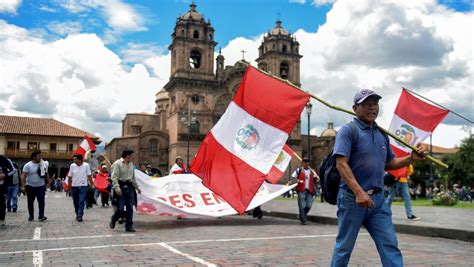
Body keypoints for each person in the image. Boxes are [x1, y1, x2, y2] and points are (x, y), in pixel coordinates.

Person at [330, 89, 427, 266]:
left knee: (390, 245)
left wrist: (411, 158)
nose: (372, 108)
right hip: (353, 199)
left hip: (378, 201)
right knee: (344, 247)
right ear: (355, 108)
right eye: (366, 104)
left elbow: (389, 164)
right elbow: (341, 164)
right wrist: (359, 192)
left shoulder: (382, 134)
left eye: (375, 104)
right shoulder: (348, 131)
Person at [109, 149, 141, 232]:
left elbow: (133, 178)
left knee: (130, 207)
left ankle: (129, 226)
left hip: (130, 187)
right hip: (120, 187)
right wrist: (117, 188)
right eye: (132, 155)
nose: (133, 157)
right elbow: (114, 177)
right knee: (120, 208)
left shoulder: (131, 165)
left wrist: (137, 188)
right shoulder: (117, 164)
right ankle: (114, 219)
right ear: (128, 156)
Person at [20, 150, 51, 222]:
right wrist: (23, 186)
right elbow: (23, 176)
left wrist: (49, 182)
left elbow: (46, 174)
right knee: (30, 202)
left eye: (41, 156)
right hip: (30, 186)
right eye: (39, 156)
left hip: (41, 186)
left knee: (41, 201)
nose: (41, 157)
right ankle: (31, 215)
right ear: (34, 157)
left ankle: (41, 215)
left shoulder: (43, 164)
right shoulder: (28, 165)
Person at [67, 154, 94, 222]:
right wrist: (69, 186)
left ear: (80, 160)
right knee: (75, 202)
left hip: (83, 186)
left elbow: (89, 175)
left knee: (81, 201)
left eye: (75, 159)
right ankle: (77, 213)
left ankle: (80, 215)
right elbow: (70, 176)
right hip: (74, 186)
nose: (74, 160)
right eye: (74, 159)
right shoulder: (72, 166)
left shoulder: (86, 165)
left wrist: (91, 184)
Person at [290, 158, 316, 225]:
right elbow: (293, 178)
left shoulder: (311, 171)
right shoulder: (298, 170)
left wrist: (316, 177)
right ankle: (303, 220)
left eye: (307, 162)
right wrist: (297, 180)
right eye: (304, 162)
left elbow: (315, 180)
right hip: (301, 189)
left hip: (310, 190)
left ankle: (301, 215)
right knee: (302, 205)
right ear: (302, 163)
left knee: (309, 205)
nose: (306, 163)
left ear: (309, 163)